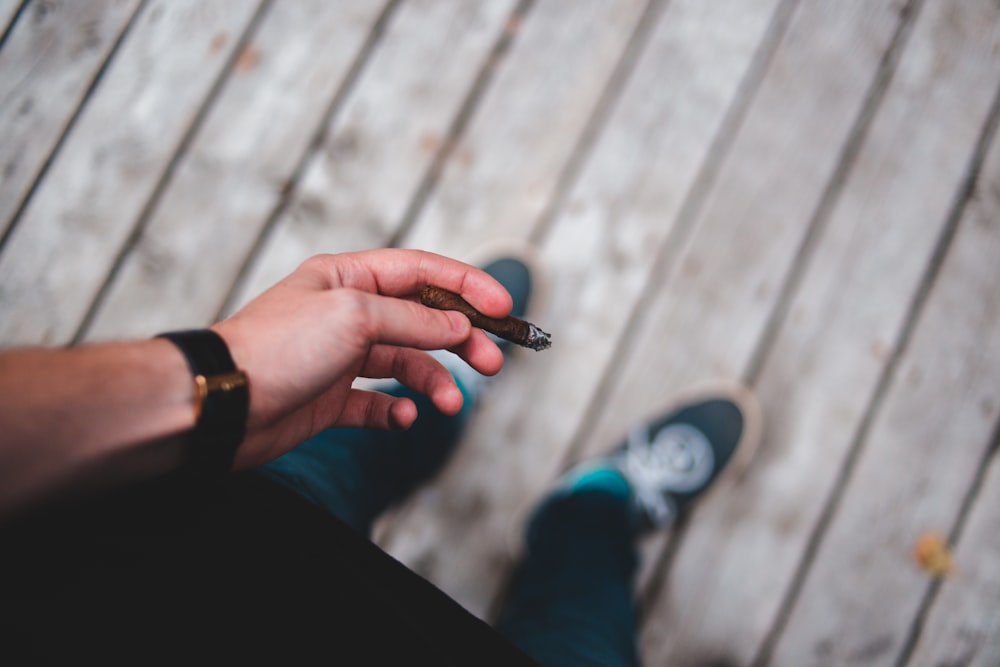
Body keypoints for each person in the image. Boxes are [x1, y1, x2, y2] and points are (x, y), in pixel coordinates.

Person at [0, 247, 760, 666]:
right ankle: (589, 513)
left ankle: (434, 407)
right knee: (583, 630)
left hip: (197, 558)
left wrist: (218, 380)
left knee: (327, 454)